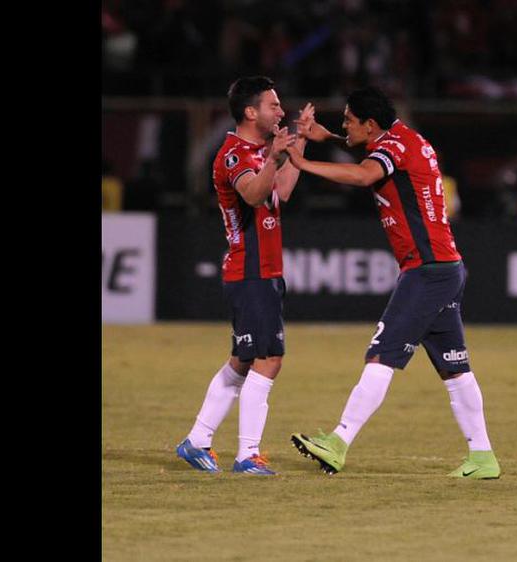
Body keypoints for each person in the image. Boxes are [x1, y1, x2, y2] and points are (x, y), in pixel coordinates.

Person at [284, 87, 500, 479]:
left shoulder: (391, 149)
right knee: (455, 369)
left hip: (427, 270)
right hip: (446, 267)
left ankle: (337, 442)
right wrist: (330, 139)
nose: (343, 124)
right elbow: (377, 157)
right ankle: (483, 457)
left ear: (370, 124)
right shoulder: (405, 140)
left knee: (381, 355)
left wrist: (302, 162)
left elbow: (367, 173)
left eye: (348, 120)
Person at [175, 76, 311, 475]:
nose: (281, 111)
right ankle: (247, 454)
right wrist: (274, 156)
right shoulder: (234, 154)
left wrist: (298, 141)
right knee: (269, 359)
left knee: (243, 360)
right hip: (249, 270)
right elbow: (252, 194)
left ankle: (197, 440)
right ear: (251, 112)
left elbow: (280, 191)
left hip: (264, 270)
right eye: (274, 105)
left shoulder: (257, 151)